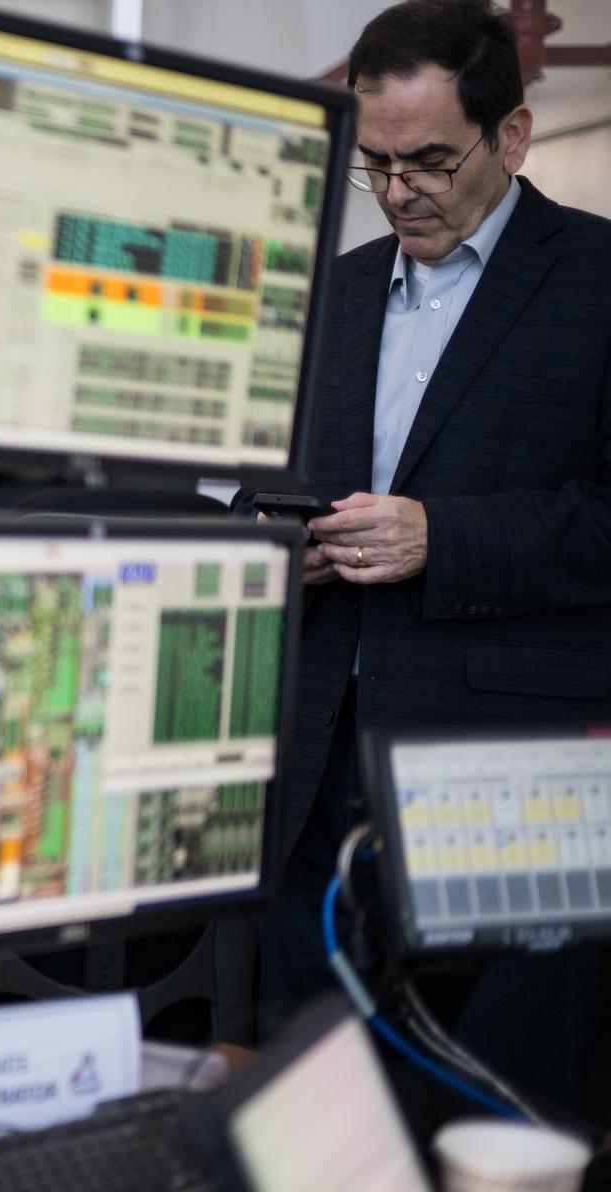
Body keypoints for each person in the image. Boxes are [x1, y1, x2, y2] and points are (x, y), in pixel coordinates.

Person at [256, 0, 611, 1105]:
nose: (400, 190)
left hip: (506, 778)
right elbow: (259, 486)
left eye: (429, 160)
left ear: (511, 137)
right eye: (375, 163)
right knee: (320, 1100)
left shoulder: (600, 278)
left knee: (488, 1107)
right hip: (313, 762)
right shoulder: (333, 294)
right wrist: (281, 546)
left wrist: (441, 536)